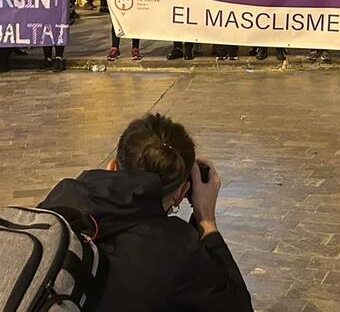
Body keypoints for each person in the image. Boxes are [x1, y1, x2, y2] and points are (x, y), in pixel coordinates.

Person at [38, 113, 252, 312]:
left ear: (112, 166)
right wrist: (206, 220)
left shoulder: (61, 198)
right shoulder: (176, 247)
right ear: (182, 192)